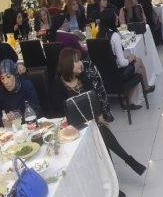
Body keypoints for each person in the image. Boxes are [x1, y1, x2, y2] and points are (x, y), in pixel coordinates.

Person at [51, 47, 145, 181]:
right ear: (68, 64)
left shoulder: (82, 77)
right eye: (77, 61)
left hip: (90, 120)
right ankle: (126, 162)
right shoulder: (57, 85)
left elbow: (94, 97)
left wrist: (99, 115)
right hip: (73, 126)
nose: (81, 64)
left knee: (101, 130)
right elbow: (59, 113)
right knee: (101, 132)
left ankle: (113, 178)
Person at [99, 9, 154, 101]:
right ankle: (135, 95)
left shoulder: (99, 35)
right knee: (138, 61)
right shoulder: (114, 36)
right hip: (117, 74)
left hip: (105, 74)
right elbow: (122, 63)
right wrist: (129, 59)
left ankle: (141, 91)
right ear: (111, 19)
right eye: (115, 16)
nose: (117, 17)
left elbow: (110, 56)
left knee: (139, 69)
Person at [0, 59, 39, 126]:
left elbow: (35, 110)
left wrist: (17, 117)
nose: (5, 82)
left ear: (15, 75)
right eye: (2, 78)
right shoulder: (1, 90)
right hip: (10, 128)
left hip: (29, 125)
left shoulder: (26, 86)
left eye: (8, 77)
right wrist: (4, 118)